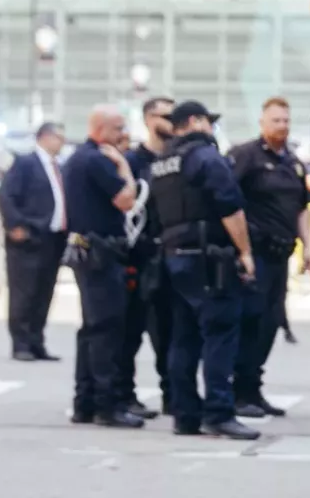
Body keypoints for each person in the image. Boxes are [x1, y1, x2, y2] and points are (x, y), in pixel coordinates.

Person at [150, 101, 259, 441]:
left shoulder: (162, 163)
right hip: (209, 260)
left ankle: (185, 415)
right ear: (195, 122)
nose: (212, 129)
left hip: (174, 259)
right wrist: (245, 252)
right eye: (209, 122)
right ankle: (219, 412)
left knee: (183, 337)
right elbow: (230, 207)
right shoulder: (206, 157)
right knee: (221, 333)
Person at [229, 98, 310, 419]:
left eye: (286, 120)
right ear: (262, 123)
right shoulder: (246, 156)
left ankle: (253, 389)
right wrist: (242, 250)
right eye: (276, 120)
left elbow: (301, 209)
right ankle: (237, 392)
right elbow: (227, 202)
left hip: (281, 255)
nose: (282, 125)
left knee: (269, 323)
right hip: (255, 255)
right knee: (249, 321)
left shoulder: (292, 162)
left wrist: (309, 248)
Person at [60, 105, 142, 428]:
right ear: (101, 129)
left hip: (89, 251)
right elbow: (126, 199)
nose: (124, 134)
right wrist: (123, 166)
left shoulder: (79, 157)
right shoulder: (97, 159)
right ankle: (107, 406)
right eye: (119, 127)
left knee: (91, 329)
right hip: (101, 253)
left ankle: (86, 403)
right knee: (107, 329)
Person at [118, 96, 175, 419]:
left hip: (169, 256)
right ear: (148, 119)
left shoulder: (179, 158)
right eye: (164, 115)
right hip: (137, 256)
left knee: (168, 332)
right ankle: (126, 395)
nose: (170, 121)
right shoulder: (133, 160)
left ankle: (172, 394)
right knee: (130, 331)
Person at [0, 121, 68, 362]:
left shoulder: (58, 166)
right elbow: (7, 195)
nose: (62, 142)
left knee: (44, 292)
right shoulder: (26, 163)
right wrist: (15, 225)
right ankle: (21, 343)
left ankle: (37, 342)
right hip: (28, 237)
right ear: (45, 137)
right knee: (24, 292)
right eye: (59, 137)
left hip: (53, 238)